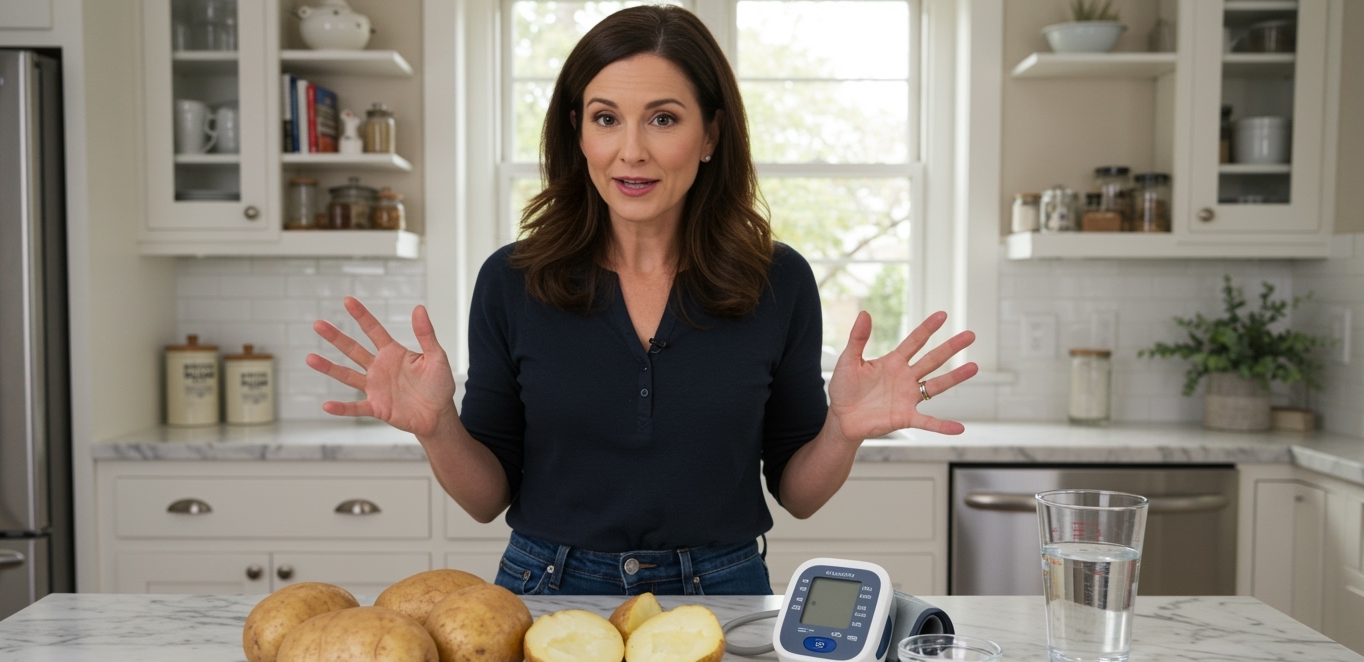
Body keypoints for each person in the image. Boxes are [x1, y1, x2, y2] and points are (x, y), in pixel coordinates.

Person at [306, 6, 977, 596]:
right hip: (547, 586)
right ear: (579, 133)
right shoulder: (512, 280)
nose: (631, 151)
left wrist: (843, 431)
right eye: (606, 119)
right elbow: (487, 501)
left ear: (711, 135)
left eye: (663, 118)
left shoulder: (779, 280)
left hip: (726, 590)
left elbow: (797, 496)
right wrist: (437, 427)